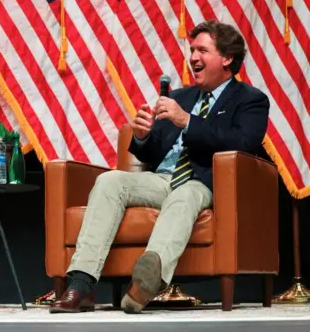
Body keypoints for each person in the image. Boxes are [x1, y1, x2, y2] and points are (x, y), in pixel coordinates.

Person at [50, 20, 270, 314]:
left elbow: (243, 142)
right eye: (192, 49)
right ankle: (81, 284)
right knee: (110, 181)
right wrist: (142, 137)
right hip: (161, 179)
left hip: (202, 180)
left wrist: (188, 122)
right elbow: (154, 152)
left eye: (202, 50)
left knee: (185, 195)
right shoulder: (179, 97)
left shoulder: (251, 100)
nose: (193, 57)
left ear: (227, 58)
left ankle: (145, 282)